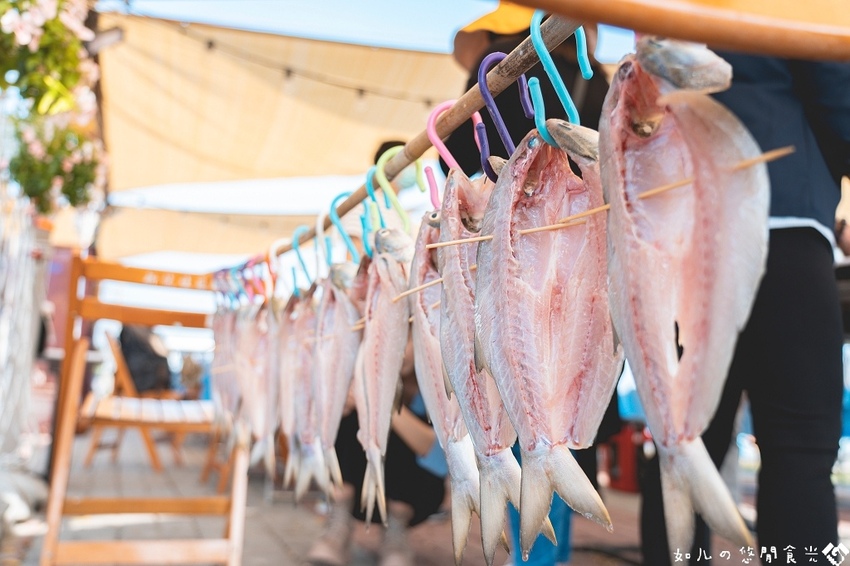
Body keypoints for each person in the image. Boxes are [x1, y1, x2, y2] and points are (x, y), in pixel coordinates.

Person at [638, 53, 850, 565]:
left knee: (680, 445)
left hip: (681, 234)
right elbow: (838, 98)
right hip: (784, 225)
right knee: (798, 449)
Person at [442, 6, 621, 564]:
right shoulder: (590, 83)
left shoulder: (494, 82)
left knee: (532, 424)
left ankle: (535, 544)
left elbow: (470, 160)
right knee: (557, 423)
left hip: (522, 265)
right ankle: (542, 547)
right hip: (566, 264)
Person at [305, 335, 446, 566]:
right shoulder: (359, 373)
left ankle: (396, 535)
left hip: (417, 495)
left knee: (389, 422)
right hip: (359, 494)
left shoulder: (437, 382)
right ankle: (337, 526)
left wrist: (383, 403)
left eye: (405, 340)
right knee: (351, 415)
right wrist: (342, 405)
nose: (396, 351)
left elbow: (440, 460)